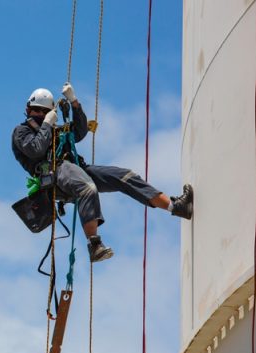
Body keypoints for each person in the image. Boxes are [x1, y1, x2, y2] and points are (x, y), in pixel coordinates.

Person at [11, 83, 193, 262]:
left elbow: (80, 132)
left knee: (124, 177)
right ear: (28, 111)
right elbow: (35, 149)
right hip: (54, 174)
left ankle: (175, 207)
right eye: (37, 111)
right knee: (87, 187)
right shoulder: (22, 132)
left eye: (45, 112)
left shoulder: (54, 131)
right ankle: (94, 245)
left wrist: (74, 103)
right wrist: (47, 125)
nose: (41, 115)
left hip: (74, 169)